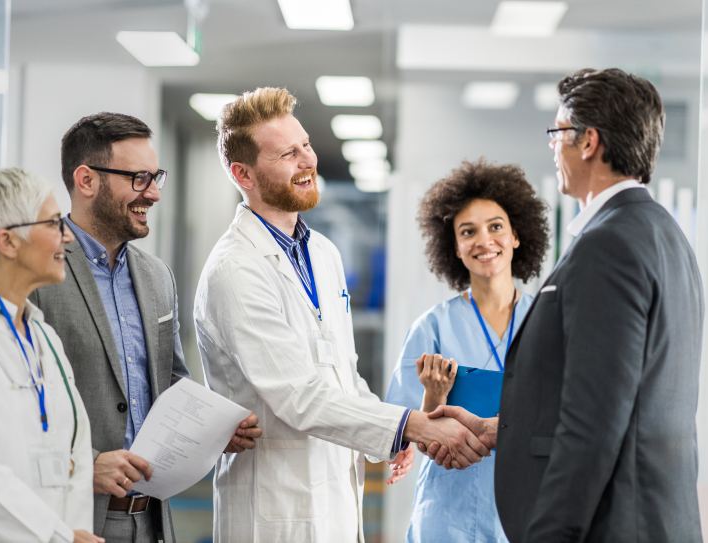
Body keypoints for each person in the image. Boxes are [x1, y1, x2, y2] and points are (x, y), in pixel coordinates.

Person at [194, 87, 493, 543]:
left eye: (306, 146)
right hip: (273, 512)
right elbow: (300, 397)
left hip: (335, 500)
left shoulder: (322, 252)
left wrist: (398, 431)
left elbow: (342, 377)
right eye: (287, 154)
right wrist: (406, 427)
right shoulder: (235, 270)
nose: (306, 161)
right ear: (244, 173)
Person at [487, 68, 703, 542]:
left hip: (612, 526)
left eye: (558, 132)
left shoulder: (608, 246)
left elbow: (595, 422)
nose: (552, 146)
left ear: (589, 142)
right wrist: (506, 427)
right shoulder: (666, 237)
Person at [29, 113, 261, 543]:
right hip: (69, 517)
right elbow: (14, 410)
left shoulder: (156, 277)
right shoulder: (38, 269)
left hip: (151, 521)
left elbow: (172, 382)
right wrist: (83, 463)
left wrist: (211, 431)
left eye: (156, 177)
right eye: (138, 178)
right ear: (86, 181)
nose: (153, 193)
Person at [386, 160, 549, 543]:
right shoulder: (431, 327)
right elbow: (409, 434)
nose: (484, 240)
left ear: (516, 236)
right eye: (468, 231)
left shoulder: (547, 322)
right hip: (449, 515)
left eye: (496, 227)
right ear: (455, 247)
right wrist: (434, 395)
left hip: (528, 509)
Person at [0, 168, 101, 543]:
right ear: (8, 242)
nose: (67, 236)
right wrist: (56, 536)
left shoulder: (45, 337)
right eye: (52, 223)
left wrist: (72, 533)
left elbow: (75, 457)